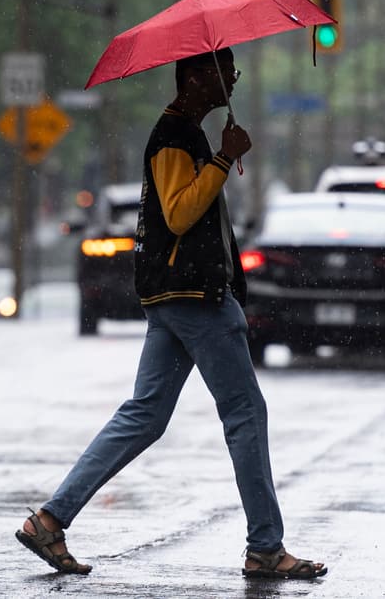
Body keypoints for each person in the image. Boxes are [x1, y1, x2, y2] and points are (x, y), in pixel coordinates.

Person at [16, 47, 327, 581]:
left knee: (145, 415)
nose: (232, 77)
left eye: (232, 69)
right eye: (224, 69)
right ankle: (266, 547)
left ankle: (50, 519)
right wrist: (224, 159)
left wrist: (221, 156)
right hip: (194, 298)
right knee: (245, 414)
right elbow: (180, 213)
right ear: (195, 76)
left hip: (175, 296)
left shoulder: (186, 133)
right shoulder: (175, 135)